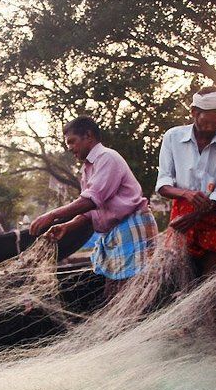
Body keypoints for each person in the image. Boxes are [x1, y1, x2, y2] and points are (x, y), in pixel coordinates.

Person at [30, 116, 157, 299]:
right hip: (116, 232)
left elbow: (91, 200)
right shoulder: (88, 167)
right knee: (114, 293)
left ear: (88, 136)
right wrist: (66, 226)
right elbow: (91, 212)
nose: (69, 148)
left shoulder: (106, 158)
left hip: (131, 228)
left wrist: (52, 215)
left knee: (130, 294)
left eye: (72, 141)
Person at [156, 86, 216, 275]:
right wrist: (186, 193)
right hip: (180, 216)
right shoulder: (173, 137)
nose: (210, 128)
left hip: (211, 215)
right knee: (182, 278)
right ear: (194, 112)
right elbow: (163, 184)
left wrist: (195, 216)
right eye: (206, 122)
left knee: (210, 279)